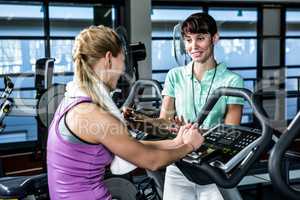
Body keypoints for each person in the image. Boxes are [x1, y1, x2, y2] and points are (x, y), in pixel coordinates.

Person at [46, 25, 204, 200]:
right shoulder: (94, 115)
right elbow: (152, 161)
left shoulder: (72, 101)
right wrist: (190, 146)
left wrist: (177, 142)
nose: (122, 70)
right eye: (122, 60)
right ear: (108, 59)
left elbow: (133, 147)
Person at [159, 13, 245, 200]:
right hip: (178, 163)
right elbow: (164, 122)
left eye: (200, 38)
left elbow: (230, 133)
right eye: (188, 40)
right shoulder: (175, 76)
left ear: (214, 38)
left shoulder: (232, 80)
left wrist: (190, 133)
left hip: (212, 167)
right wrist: (170, 127)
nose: (193, 46)